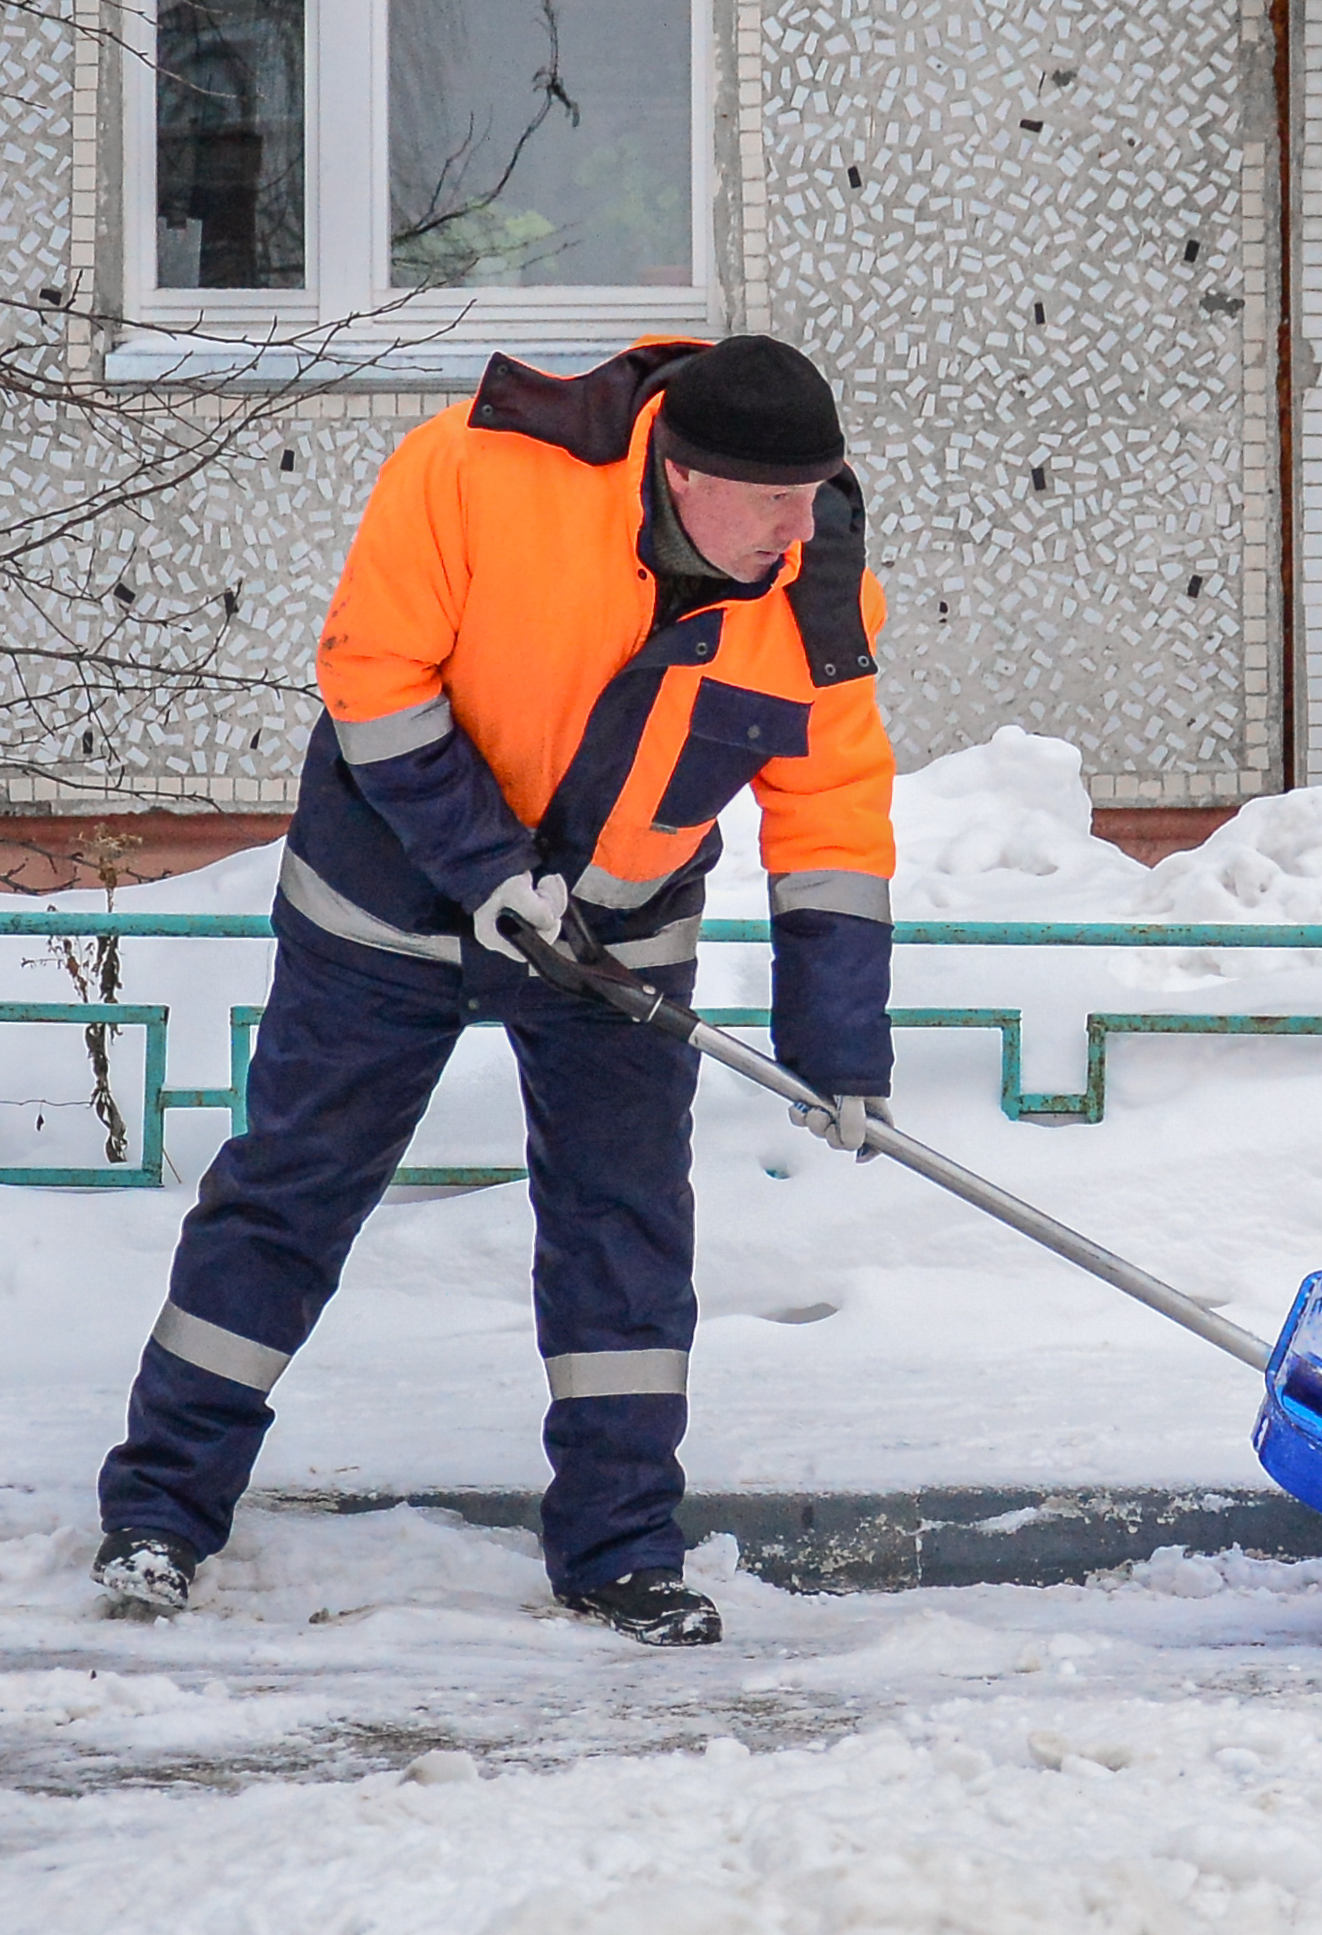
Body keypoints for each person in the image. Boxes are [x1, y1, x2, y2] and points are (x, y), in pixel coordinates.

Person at [89, 337, 896, 1645]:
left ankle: (620, 1552)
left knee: (624, 1230)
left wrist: (839, 1051)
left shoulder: (813, 585)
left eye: (818, 495)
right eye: (776, 503)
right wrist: (488, 867)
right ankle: (160, 1515)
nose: (803, 531)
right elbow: (374, 676)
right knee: (293, 1189)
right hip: (391, 893)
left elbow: (835, 810)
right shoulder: (475, 472)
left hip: (615, 932)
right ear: (684, 476)